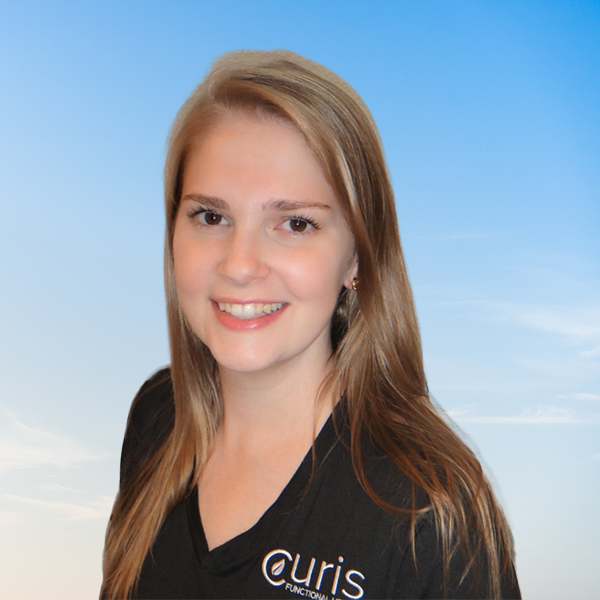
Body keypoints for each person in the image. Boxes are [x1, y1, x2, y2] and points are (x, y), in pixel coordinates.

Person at [101, 50, 520, 599]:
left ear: (357, 257)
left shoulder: (428, 512)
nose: (240, 265)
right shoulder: (159, 416)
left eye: (296, 224)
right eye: (212, 216)